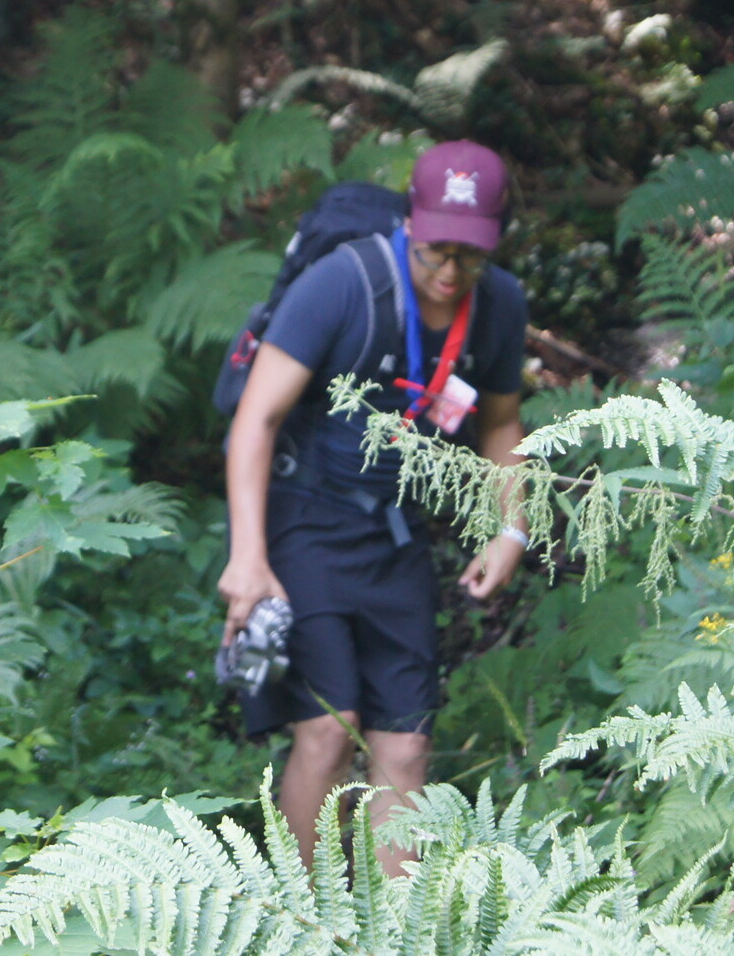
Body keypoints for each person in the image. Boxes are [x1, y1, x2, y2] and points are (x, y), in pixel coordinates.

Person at [217, 140, 531, 875]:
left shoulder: (499, 305)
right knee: (329, 732)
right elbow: (256, 419)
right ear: (410, 225)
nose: (450, 271)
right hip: (302, 518)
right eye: (436, 251)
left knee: (406, 746)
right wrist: (248, 556)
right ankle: (304, 912)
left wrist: (509, 527)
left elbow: (501, 423)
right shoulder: (342, 284)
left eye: (470, 255)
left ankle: (399, 924)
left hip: (395, 531)